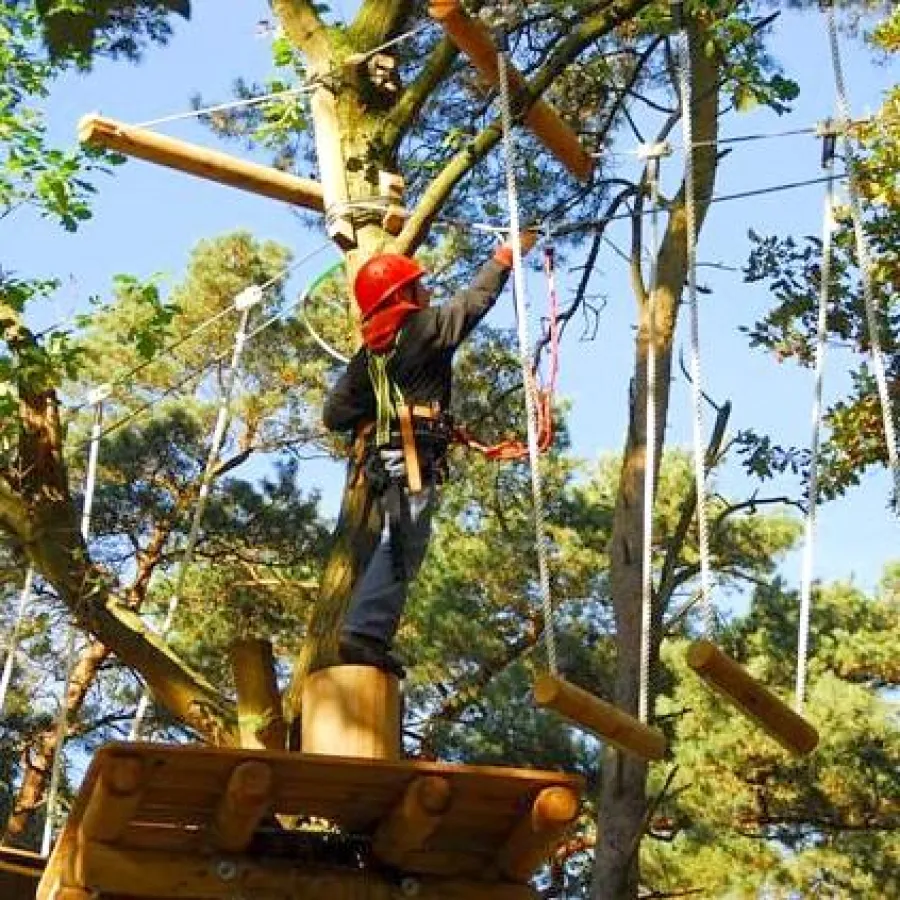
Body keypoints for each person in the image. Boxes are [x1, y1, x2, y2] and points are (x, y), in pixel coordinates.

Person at [323, 234, 536, 677]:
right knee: (404, 544)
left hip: (384, 460)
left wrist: (379, 412)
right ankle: (364, 633)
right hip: (412, 458)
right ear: (400, 295)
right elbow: (474, 302)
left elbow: (335, 414)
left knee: (397, 541)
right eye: (419, 287)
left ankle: (366, 630)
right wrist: (504, 258)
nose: (429, 293)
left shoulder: (368, 358)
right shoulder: (426, 329)